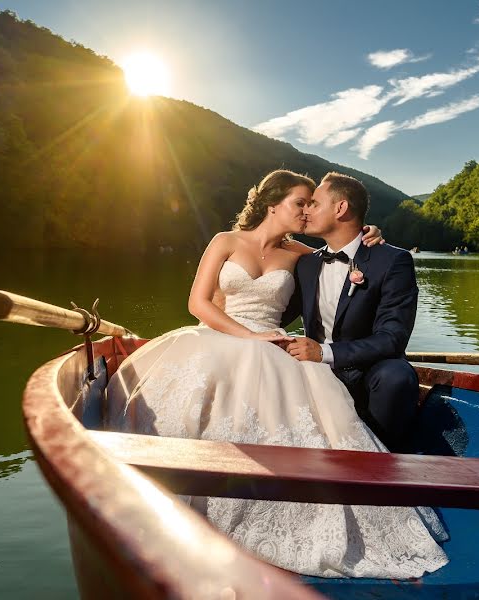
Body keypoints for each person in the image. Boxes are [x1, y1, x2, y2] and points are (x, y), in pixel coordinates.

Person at [107, 169, 448, 579]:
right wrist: (247, 335)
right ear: (273, 205)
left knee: (327, 400)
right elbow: (199, 303)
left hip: (280, 346)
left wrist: (371, 234)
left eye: (311, 203)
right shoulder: (226, 242)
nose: (306, 211)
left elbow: (349, 250)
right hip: (224, 335)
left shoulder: (302, 255)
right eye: (300, 203)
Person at [281, 172, 420, 451]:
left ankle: (384, 459)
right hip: (313, 371)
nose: (307, 210)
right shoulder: (305, 264)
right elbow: (275, 314)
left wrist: (324, 353)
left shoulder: (393, 261)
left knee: (396, 375)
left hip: (365, 371)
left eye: (315, 203)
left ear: (341, 208)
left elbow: (392, 337)